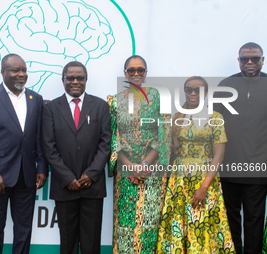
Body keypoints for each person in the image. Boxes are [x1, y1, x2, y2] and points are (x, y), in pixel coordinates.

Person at [0, 54, 48, 254]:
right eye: (16, 70)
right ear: (3, 72)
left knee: (24, 229)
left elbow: (38, 137)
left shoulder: (36, 99)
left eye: (24, 70)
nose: (21, 74)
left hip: (26, 177)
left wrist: (41, 168)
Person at [156, 76, 235, 253]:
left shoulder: (215, 117)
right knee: (179, 223)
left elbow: (219, 156)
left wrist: (204, 187)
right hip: (179, 181)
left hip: (205, 180)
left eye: (198, 90)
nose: (193, 93)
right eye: (189, 89)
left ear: (205, 93)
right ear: (184, 92)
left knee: (201, 224)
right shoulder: (177, 117)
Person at [42, 61, 111, 254]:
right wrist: (67, 178)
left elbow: (106, 144)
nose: (75, 81)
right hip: (65, 187)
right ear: (62, 80)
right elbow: (48, 147)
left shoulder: (100, 106)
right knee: (68, 242)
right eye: (70, 78)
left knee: (91, 243)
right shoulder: (50, 108)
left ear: (86, 80)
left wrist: (91, 174)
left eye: (79, 77)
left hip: (93, 186)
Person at [107, 55, 171, 253]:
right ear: (125, 73)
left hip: (152, 170)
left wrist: (143, 165)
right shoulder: (114, 102)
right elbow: (113, 137)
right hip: (126, 172)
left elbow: (164, 134)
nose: (136, 73)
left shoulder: (159, 98)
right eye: (131, 70)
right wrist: (131, 166)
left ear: (146, 73)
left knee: (151, 223)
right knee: (125, 224)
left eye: (140, 70)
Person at [213, 42, 267, 254]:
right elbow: (214, 125)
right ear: (239, 61)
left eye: (255, 58)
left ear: (262, 59)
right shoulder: (226, 85)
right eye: (245, 59)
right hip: (228, 168)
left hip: (259, 168)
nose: (250, 62)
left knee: (254, 220)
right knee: (229, 219)